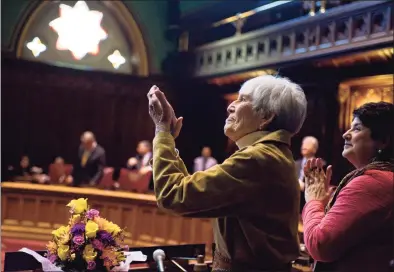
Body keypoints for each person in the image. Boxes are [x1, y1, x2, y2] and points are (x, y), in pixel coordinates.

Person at [147, 74, 308, 271]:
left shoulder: (257, 159)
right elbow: (188, 191)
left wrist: (162, 132)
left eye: (243, 100)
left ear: (266, 117)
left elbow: (173, 195)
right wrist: (168, 141)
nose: (230, 106)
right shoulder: (272, 154)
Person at [302, 102, 394, 271]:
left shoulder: (372, 182)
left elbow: (320, 244)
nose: (345, 134)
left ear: (383, 141)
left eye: (357, 128)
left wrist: (314, 200)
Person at [295, 136, 324, 211]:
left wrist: (304, 187)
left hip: (309, 204)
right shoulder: (295, 164)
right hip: (294, 204)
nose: (304, 146)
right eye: (303, 144)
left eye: (308, 144)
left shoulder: (321, 165)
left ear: (314, 149)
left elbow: (320, 189)